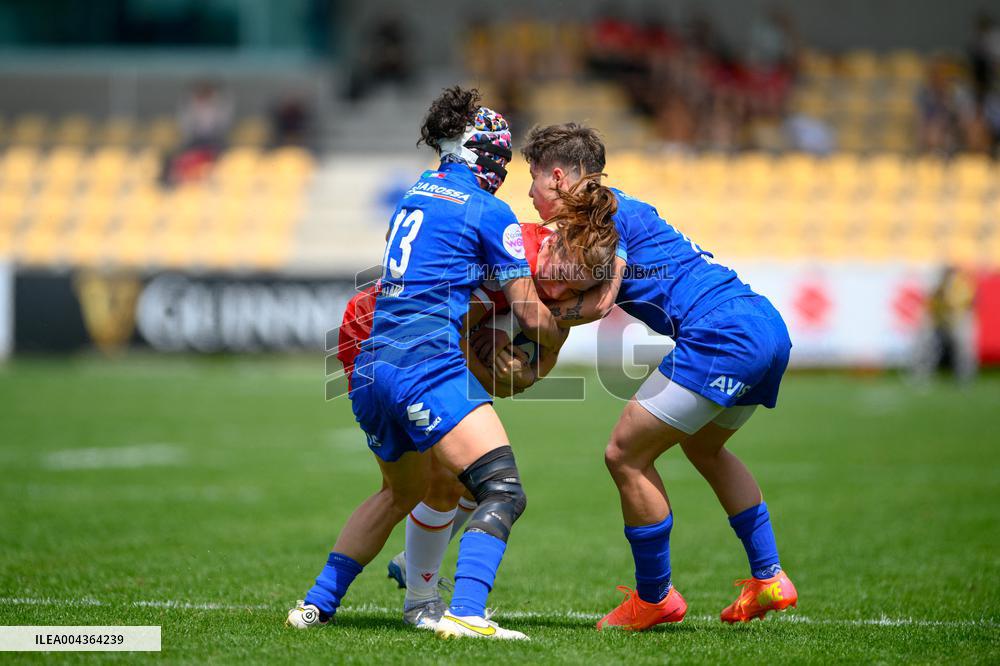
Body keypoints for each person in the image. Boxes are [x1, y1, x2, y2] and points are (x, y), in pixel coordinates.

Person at [286, 87, 562, 641]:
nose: (503, 169)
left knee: (402, 492)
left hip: (372, 364)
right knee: (502, 489)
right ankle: (466, 612)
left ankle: (320, 603)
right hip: (424, 363)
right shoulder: (487, 209)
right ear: (480, 152)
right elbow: (533, 316)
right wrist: (567, 320)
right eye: (500, 157)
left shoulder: (414, 194)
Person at [518, 122, 798, 630]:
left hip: (722, 333)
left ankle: (654, 597)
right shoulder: (609, 208)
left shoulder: (604, 214)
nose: (530, 193)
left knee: (624, 454)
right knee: (705, 448)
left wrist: (531, 311)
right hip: (763, 324)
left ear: (557, 176)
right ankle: (769, 578)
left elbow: (602, 302)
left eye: (532, 180)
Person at [336, 181, 619, 628]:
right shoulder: (517, 252)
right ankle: (421, 600)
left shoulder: (565, 282)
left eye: (574, 291)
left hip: (426, 344)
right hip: (382, 333)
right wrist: (489, 361)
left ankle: (391, 587)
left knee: (467, 481)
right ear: (557, 243)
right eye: (563, 280)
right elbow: (455, 328)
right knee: (430, 486)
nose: (562, 293)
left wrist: (516, 370)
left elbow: (531, 370)